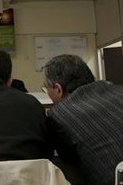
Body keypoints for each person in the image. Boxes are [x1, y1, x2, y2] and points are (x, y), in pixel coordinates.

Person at [43, 54, 123, 185]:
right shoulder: (120, 90)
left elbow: (67, 158)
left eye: (46, 88)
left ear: (58, 89)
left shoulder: (59, 114)